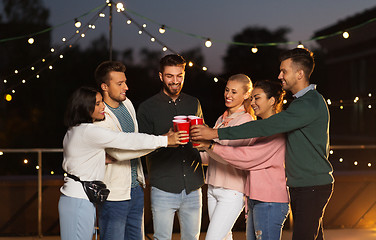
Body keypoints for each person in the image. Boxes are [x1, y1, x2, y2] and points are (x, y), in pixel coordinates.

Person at [191, 48, 334, 240]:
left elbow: (263, 131)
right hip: (302, 185)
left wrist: (214, 135)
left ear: (300, 73)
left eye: (284, 71)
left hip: (311, 186)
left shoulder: (307, 104)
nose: (280, 75)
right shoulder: (301, 103)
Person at [58, 86, 187, 240]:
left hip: (76, 198)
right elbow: (126, 139)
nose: (103, 106)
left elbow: (77, 159)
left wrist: (100, 158)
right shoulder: (89, 131)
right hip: (79, 201)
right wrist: (165, 140)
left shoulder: (73, 130)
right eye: (98, 103)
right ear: (85, 108)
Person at [196, 80, 289, 240]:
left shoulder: (276, 131)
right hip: (254, 198)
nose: (252, 103)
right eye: (252, 98)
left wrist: (210, 145)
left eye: (257, 98)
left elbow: (246, 158)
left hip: (269, 200)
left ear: (272, 101)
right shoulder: (259, 127)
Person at [137, 54, 205, 240]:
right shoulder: (147, 108)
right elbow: (140, 147)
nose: (175, 81)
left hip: (193, 186)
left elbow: (201, 139)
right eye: (169, 76)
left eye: (179, 76)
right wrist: (164, 139)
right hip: (163, 187)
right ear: (161, 76)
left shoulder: (194, 103)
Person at [93, 61, 151, 240]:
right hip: (113, 193)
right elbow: (120, 151)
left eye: (125, 82)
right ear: (104, 86)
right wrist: (162, 142)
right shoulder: (100, 117)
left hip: (135, 189)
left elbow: (134, 138)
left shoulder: (128, 104)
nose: (126, 87)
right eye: (119, 84)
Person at [200, 74, 254, 240]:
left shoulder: (246, 121)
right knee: (224, 237)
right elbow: (210, 158)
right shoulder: (221, 119)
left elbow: (231, 157)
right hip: (213, 187)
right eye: (227, 90)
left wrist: (206, 144)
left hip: (232, 191)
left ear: (246, 95)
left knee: (213, 238)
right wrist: (189, 146)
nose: (228, 95)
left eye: (234, 92)